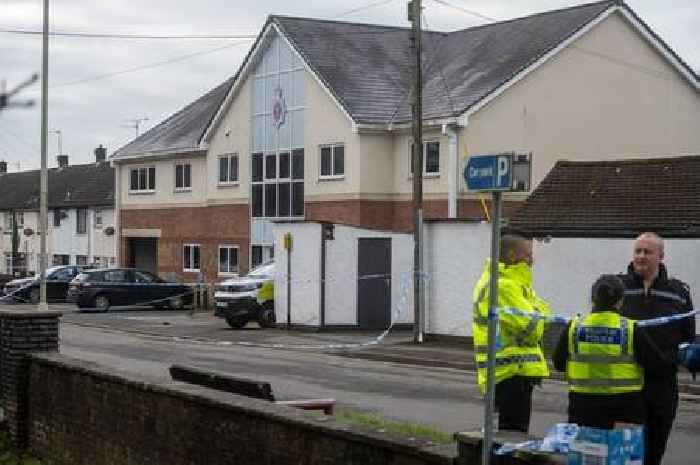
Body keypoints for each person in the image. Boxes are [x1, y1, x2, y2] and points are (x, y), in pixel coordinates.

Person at [552, 274, 675, 429]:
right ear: (620, 301)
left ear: (592, 298)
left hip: (582, 410)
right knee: (620, 453)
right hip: (625, 411)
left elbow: (558, 364)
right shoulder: (630, 329)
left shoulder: (575, 327)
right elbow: (659, 366)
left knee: (586, 452)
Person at [619, 232, 695, 465]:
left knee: (654, 450)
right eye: (637, 251)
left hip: (662, 386)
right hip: (625, 383)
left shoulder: (678, 292)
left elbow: (688, 335)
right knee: (624, 453)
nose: (641, 256)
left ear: (660, 256)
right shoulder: (617, 286)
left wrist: (688, 356)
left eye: (647, 252)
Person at [472, 233, 551, 433]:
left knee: (507, 436)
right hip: (510, 374)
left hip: (510, 373)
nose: (532, 261)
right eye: (528, 255)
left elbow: (538, 315)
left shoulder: (510, 284)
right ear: (511, 255)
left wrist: (537, 312)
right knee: (512, 438)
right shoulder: (504, 286)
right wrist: (539, 312)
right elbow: (533, 328)